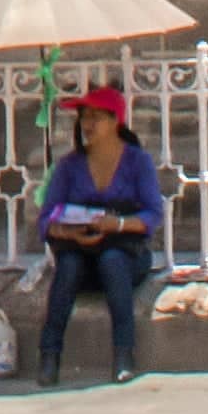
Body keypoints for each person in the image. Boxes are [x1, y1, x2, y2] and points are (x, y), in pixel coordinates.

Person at [34, 82, 163, 387]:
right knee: (68, 266)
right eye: (84, 117)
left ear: (115, 120)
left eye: (96, 117)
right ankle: (49, 356)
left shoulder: (137, 162)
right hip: (79, 251)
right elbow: (46, 217)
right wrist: (69, 232)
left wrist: (116, 225)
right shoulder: (69, 166)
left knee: (113, 260)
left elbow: (152, 214)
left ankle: (123, 354)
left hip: (125, 252)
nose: (87, 124)